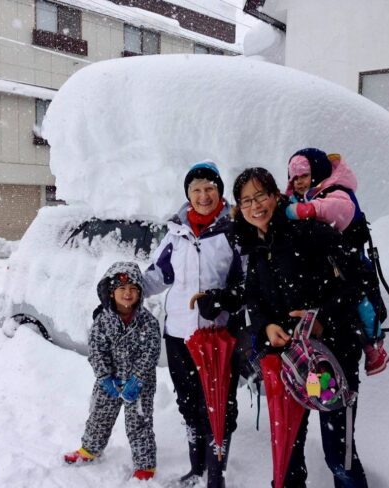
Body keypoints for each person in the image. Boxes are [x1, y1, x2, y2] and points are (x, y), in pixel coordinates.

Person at [233, 167, 369, 488]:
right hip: (291, 365)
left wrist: (322, 317)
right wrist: (266, 327)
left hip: (332, 360)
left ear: (276, 195)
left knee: (339, 457)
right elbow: (253, 297)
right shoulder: (256, 246)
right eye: (247, 200)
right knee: (288, 453)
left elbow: (359, 278)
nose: (256, 206)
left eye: (261, 195)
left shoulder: (308, 233)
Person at [143, 160, 243, 488]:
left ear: (219, 192)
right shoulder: (177, 233)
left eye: (209, 188)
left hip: (216, 337)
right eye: (196, 189)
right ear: (188, 194)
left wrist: (223, 299)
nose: (203, 195)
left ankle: (217, 475)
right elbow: (158, 275)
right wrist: (124, 289)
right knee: (188, 404)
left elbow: (249, 285)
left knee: (217, 407)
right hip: (178, 335)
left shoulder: (233, 231)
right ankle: (196, 467)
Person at [284, 148, 389, 375]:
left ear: (318, 171)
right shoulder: (304, 195)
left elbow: (339, 211)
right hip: (325, 270)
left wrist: (302, 210)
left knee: (362, 304)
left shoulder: (336, 190)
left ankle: (374, 344)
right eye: (293, 178)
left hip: (349, 265)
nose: (298, 182)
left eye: (303, 175)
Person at [63, 261, 161, 481]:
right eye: (122, 289)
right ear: (111, 292)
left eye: (133, 289)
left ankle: (145, 464)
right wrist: (104, 377)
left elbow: (150, 352)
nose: (128, 293)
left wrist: (137, 380)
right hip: (110, 381)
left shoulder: (148, 322)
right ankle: (90, 449)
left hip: (140, 384)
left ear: (140, 293)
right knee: (99, 417)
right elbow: (96, 351)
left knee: (140, 423)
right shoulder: (102, 321)